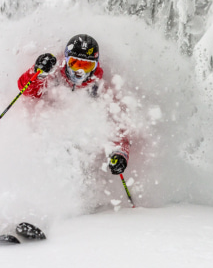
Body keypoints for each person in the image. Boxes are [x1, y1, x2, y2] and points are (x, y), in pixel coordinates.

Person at [17, 34, 129, 175]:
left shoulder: (100, 88)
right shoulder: (55, 74)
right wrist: (38, 72)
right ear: (66, 60)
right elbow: (27, 91)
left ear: (95, 65)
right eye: (75, 64)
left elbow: (118, 126)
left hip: (81, 149)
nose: (79, 71)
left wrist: (119, 154)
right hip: (46, 139)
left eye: (86, 66)